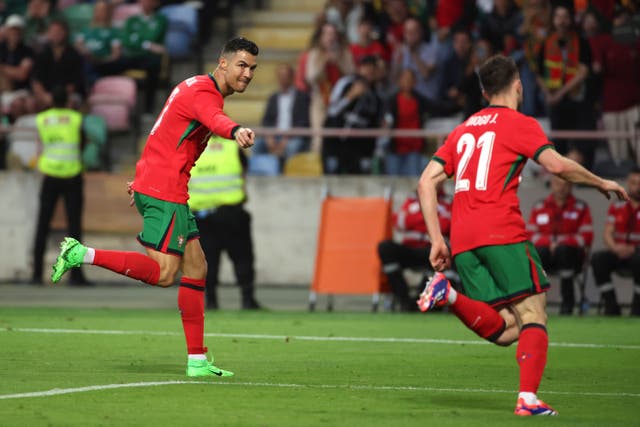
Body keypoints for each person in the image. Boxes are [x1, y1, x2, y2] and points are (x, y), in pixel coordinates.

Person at [417, 54, 628, 416]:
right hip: (500, 230)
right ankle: (528, 400)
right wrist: (600, 181)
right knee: (534, 313)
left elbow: (425, 181)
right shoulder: (518, 123)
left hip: (464, 239)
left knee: (506, 330)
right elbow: (557, 166)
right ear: (518, 85)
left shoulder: (463, 129)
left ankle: (448, 294)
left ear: (484, 92)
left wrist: (438, 238)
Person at [49, 37, 259, 378]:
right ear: (223, 63)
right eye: (241, 65)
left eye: (252, 68)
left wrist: (142, 177)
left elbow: (160, 132)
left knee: (197, 269)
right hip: (165, 190)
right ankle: (81, 254)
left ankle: (197, 360)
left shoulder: (192, 86)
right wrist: (235, 130)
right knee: (164, 274)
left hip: (159, 184)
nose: (247, 73)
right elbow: (215, 118)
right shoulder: (205, 94)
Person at [189, 135, 261, 310]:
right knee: (243, 258)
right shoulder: (231, 146)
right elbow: (243, 171)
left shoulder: (189, 148)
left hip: (202, 216)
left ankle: (211, 302)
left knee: (207, 262)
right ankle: (247, 300)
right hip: (231, 213)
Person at [31, 86, 88, 286]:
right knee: (74, 228)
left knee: (42, 225)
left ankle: (36, 274)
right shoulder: (76, 118)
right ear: (68, 101)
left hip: (50, 176)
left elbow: (41, 143)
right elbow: (83, 143)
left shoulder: (42, 119)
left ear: (52, 100)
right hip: (72, 175)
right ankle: (76, 276)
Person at [527, 175, 593, 315]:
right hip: (546, 256)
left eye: (565, 184)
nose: (561, 188)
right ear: (551, 184)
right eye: (557, 183)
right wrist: (550, 243)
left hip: (571, 257)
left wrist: (559, 244)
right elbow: (530, 235)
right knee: (538, 253)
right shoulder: (540, 206)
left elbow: (586, 236)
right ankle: (535, 305)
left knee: (564, 251)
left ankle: (567, 304)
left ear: (570, 186)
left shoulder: (580, 207)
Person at [378, 187, 451, 311]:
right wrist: (429, 217)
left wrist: (415, 218)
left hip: (431, 249)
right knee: (385, 248)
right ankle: (404, 300)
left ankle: (423, 302)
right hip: (410, 248)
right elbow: (399, 222)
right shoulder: (411, 201)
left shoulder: (447, 201)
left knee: (440, 255)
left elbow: (446, 225)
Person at [590, 167, 640, 316]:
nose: (637, 187)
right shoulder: (617, 206)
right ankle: (611, 305)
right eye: (633, 183)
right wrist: (615, 248)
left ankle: (637, 305)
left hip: (637, 253)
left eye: (639, 183)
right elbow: (607, 233)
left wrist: (634, 249)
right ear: (627, 184)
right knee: (598, 259)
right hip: (618, 251)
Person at [322, 54, 382, 174]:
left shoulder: (377, 94)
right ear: (359, 68)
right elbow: (332, 110)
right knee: (332, 174)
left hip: (358, 145)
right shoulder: (345, 83)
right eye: (366, 67)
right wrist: (350, 96)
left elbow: (375, 124)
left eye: (372, 68)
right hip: (336, 140)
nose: (369, 71)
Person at [253, 63, 310, 168]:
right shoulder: (273, 98)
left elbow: (303, 122)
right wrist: (269, 137)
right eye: (280, 76)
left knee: (292, 147)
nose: (283, 79)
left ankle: (285, 177)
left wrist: (287, 138)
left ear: (292, 77)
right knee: (257, 145)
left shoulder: (302, 97)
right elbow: (266, 121)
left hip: (294, 136)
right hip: (274, 135)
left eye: (285, 76)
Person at [31, 19, 85, 111]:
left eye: (59, 31)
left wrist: (58, 97)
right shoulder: (42, 54)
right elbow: (36, 80)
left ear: (65, 33)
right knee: (31, 103)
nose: (56, 34)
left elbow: (74, 84)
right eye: (53, 31)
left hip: (68, 95)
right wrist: (44, 95)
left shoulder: (74, 55)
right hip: (46, 94)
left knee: (70, 104)